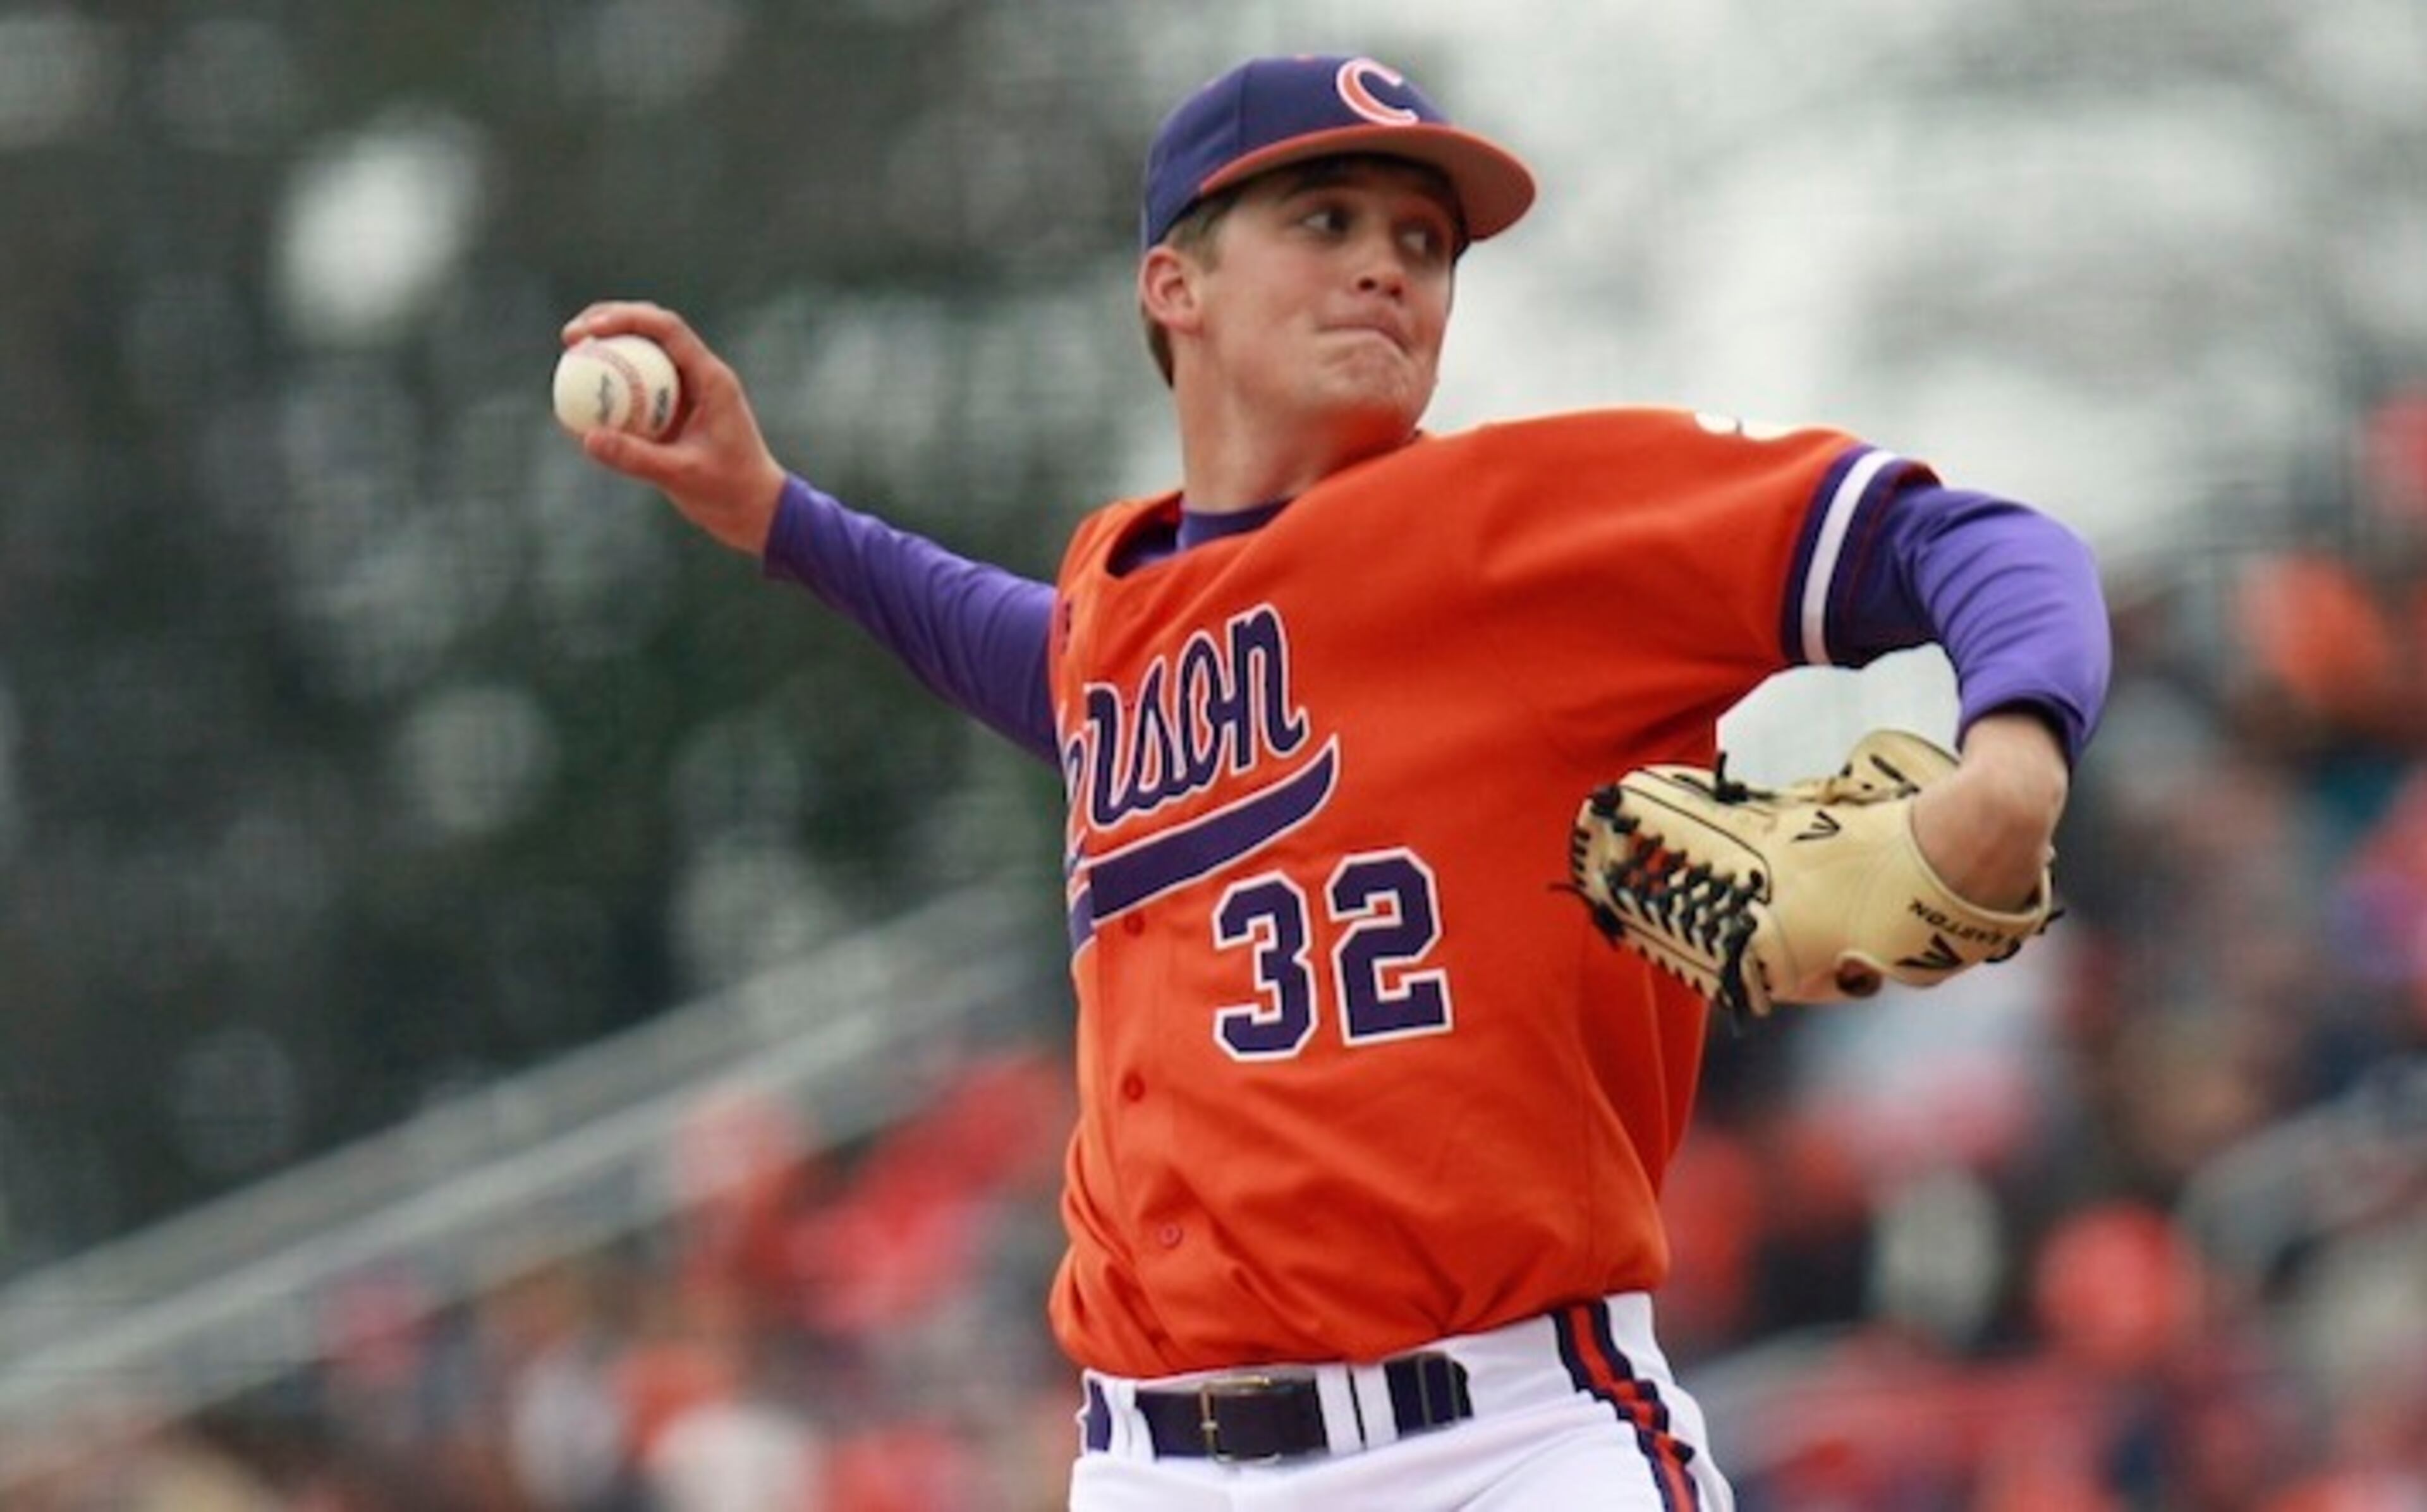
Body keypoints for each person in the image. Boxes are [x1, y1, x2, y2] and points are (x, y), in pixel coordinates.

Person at [561, 51, 2110, 1511]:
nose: (1391, 265)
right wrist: (772, 510)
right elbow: (1036, 662)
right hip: (1154, 1463)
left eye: (1425, 243)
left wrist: (2016, 755)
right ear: (1175, 284)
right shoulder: (1125, 616)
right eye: (1328, 220)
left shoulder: (1519, 524)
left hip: (1501, 1444)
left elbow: (1972, 542)